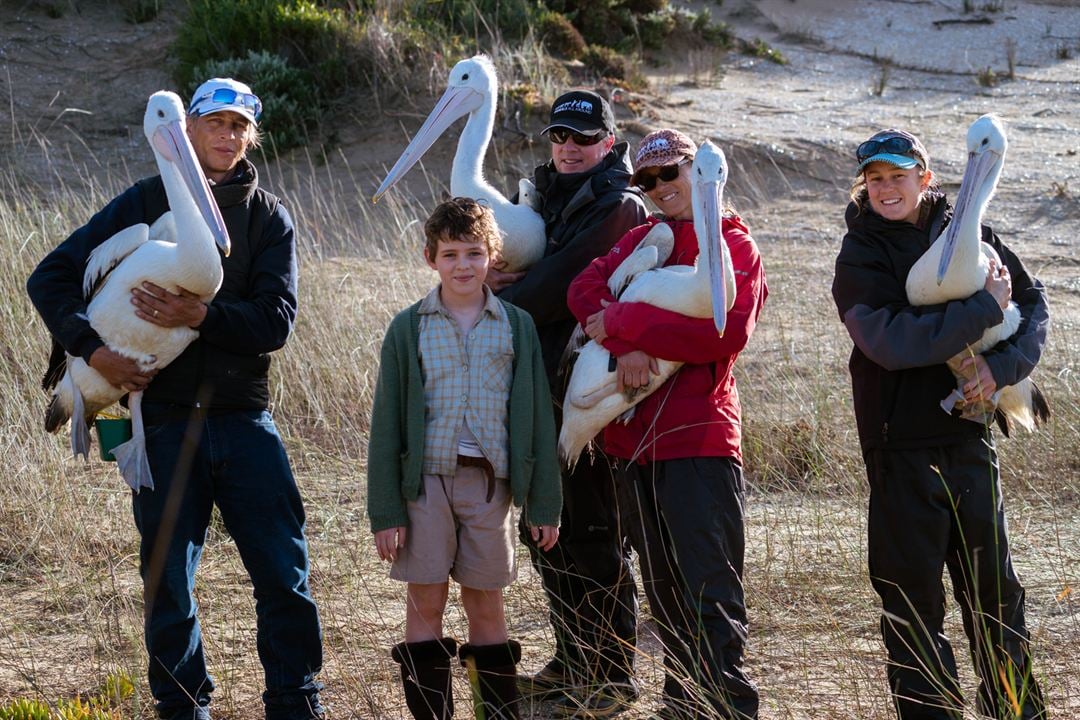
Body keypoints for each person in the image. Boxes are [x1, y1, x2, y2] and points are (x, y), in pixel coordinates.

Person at [27, 78, 325, 720]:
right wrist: (91, 350)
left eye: (239, 125)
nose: (226, 135)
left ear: (252, 135)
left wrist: (201, 315)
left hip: (243, 419)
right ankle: (182, 707)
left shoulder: (267, 217)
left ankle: (296, 702)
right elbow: (49, 277)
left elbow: (275, 322)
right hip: (161, 422)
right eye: (214, 122)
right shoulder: (142, 202)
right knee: (167, 580)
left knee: (283, 571)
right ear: (187, 129)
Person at [831, 128, 1048, 719]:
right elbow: (888, 342)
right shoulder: (861, 255)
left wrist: (998, 369)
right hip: (899, 449)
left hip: (968, 440)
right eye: (875, 178)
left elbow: (1032, 305)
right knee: (911, 604)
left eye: (899, 175)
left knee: (996, 597)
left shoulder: (971, 233)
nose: (886, 188)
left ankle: (1018, 712)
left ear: (926, 178)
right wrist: (981, 309)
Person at [568, 129, 767, 720]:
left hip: (697, 438)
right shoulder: (641, 238)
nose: (660, 188)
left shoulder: (732, 243)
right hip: (633, 444)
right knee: (664, 594)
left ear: (697, 172)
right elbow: (583, 288)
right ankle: (683, 707)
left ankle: (727, 708)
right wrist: (626, 341)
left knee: (711, 591)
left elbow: (724, 332)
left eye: (670, 174)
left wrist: (626, 324)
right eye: (647, 182)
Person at [484, 88, 649, 716]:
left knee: (594, 530)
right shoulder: (541, 197)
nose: (570, 148)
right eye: (560, 137)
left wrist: (490, 296)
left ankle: (611, 676)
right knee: (547, 530)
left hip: (588, 397)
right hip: (538, 387)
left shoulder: (619, 205)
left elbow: (560, 287)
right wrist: (487, 270)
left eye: (583, 138)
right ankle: (572, 660)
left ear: (608, 142)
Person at [367, 197, 562, 720]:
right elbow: (386, 425)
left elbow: (539, 420)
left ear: (492, 256)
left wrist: (544, 504)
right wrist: (386, 513)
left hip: (488, 487)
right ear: (430, 257)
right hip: (425, 485)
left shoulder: (516, 326)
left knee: (486, 604)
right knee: (425, 603)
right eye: (450, 254)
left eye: (474, 253)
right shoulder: (408, 329)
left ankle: (495, 713)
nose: (462, 265)